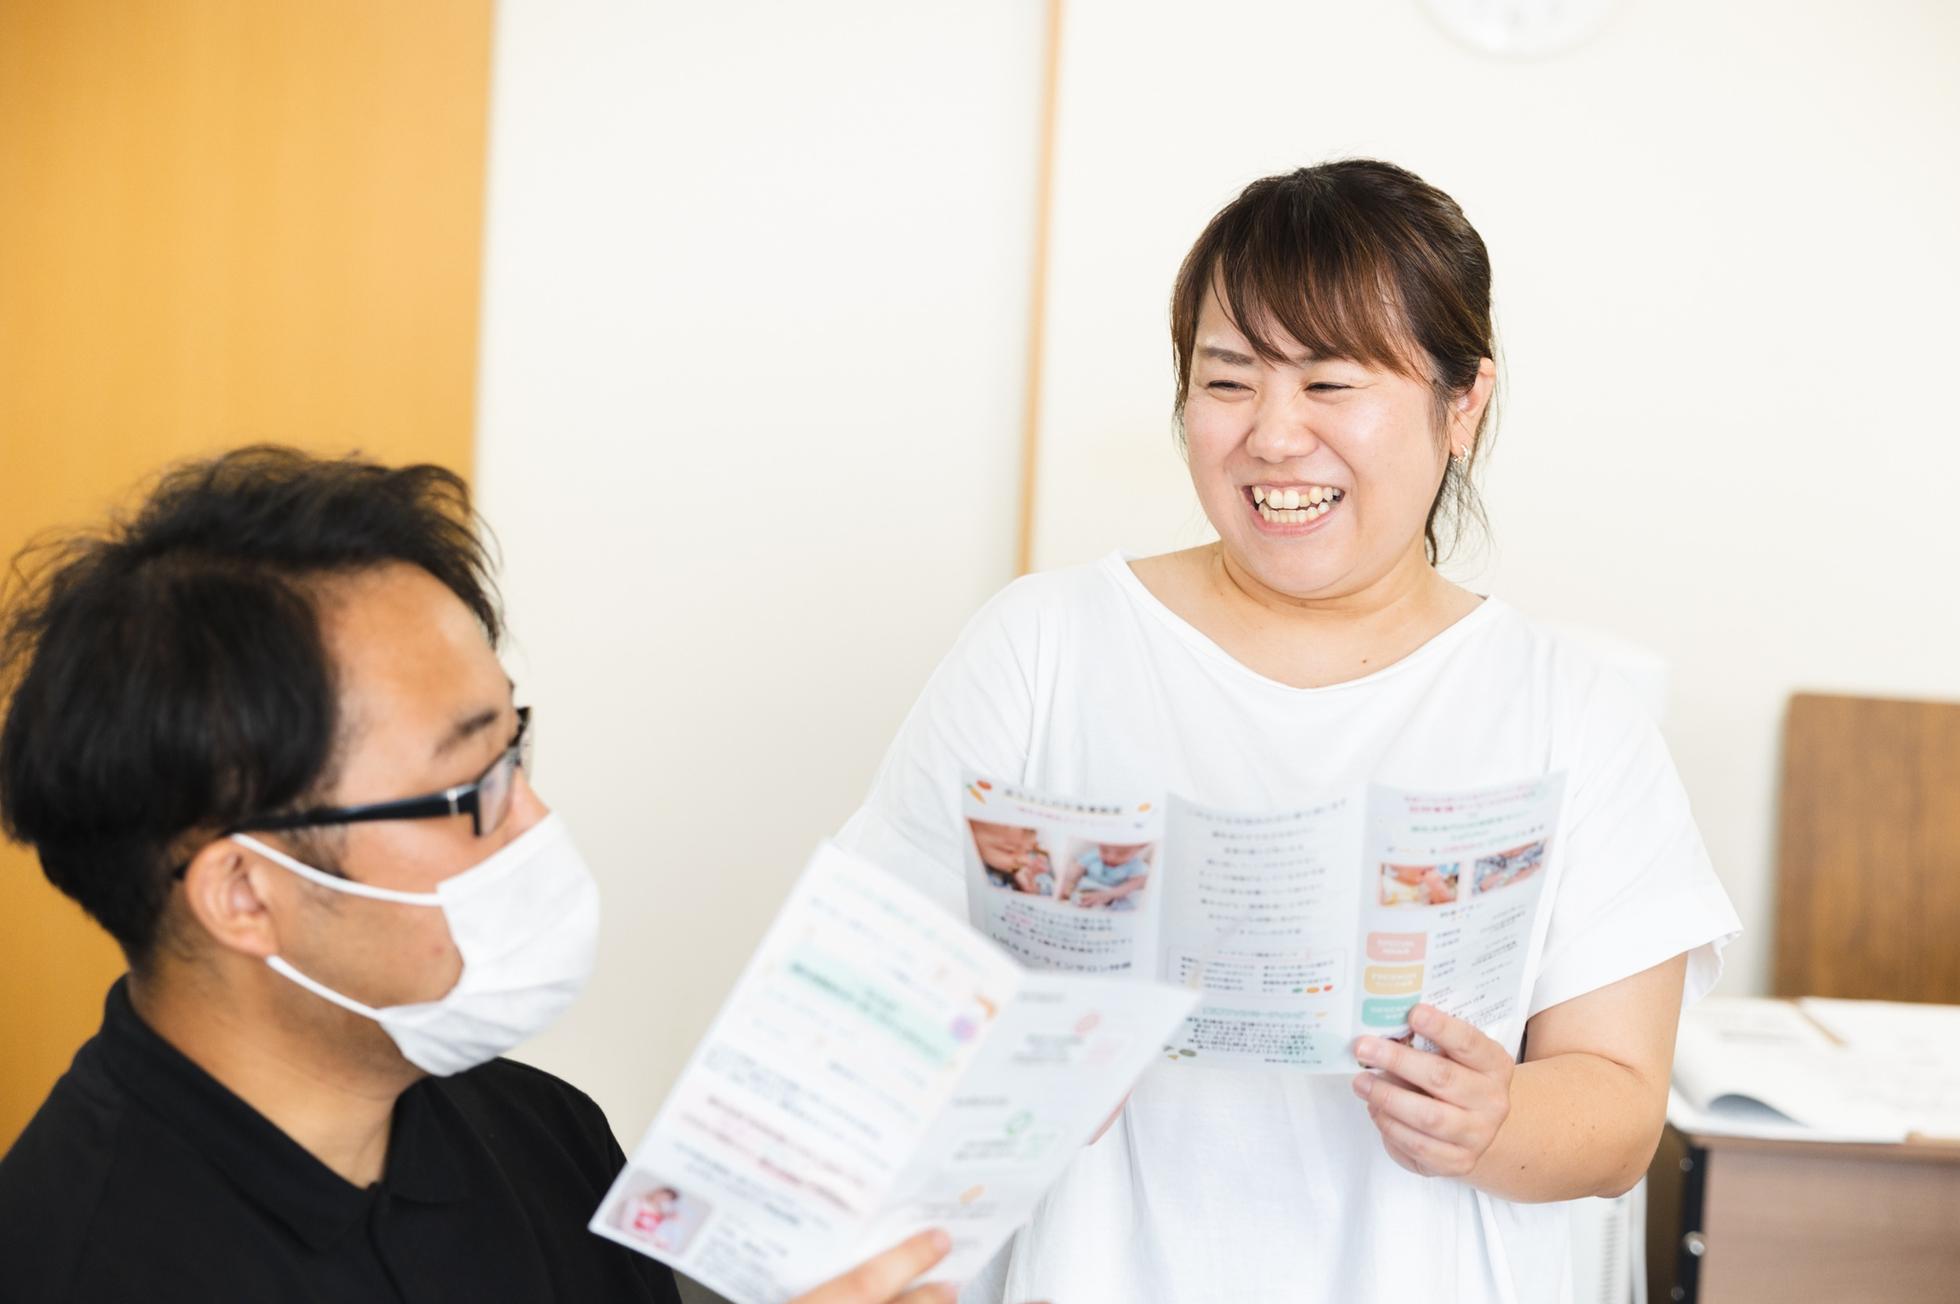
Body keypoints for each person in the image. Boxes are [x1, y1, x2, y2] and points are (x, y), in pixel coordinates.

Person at [840, 161, 1742, 1302]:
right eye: (1228, 380)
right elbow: (864, 1000)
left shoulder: (1568, 708)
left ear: (1462, 404)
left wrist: (1495, 1114)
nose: (1272, 436)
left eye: (1328, 381)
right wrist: (1006, 1058)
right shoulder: (1043, 645)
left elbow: (1617, 1111)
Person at [0, 449, 961, 1304]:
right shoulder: (77, 1263)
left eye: (514, 749)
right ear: (246, 893)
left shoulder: (545, 1136)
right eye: (470, 787)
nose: (535, 822)